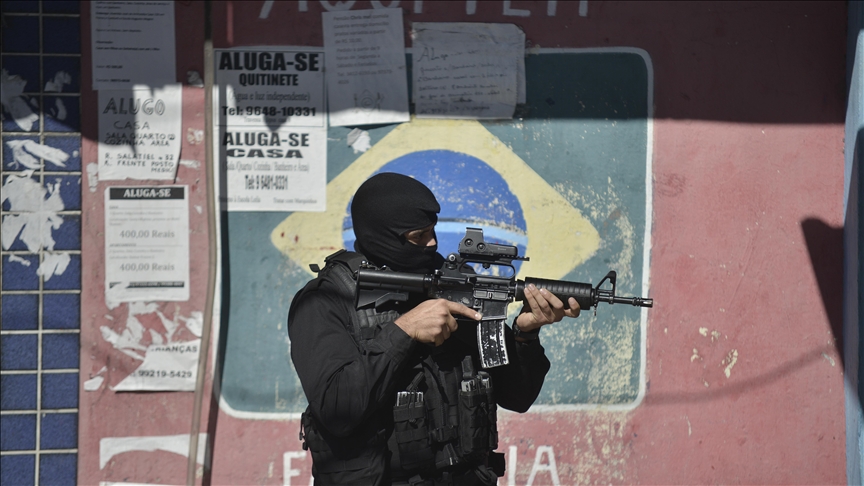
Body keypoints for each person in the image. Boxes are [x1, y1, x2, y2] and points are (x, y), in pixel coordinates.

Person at [288, 172, 580, 485]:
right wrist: (404, 331)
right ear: (383, 236)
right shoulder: (326, 300)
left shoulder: (453, 285)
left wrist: (524, 336)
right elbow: (337, 410)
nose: (433, 243)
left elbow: (518, 397)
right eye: (419, 236)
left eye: (433, 231)